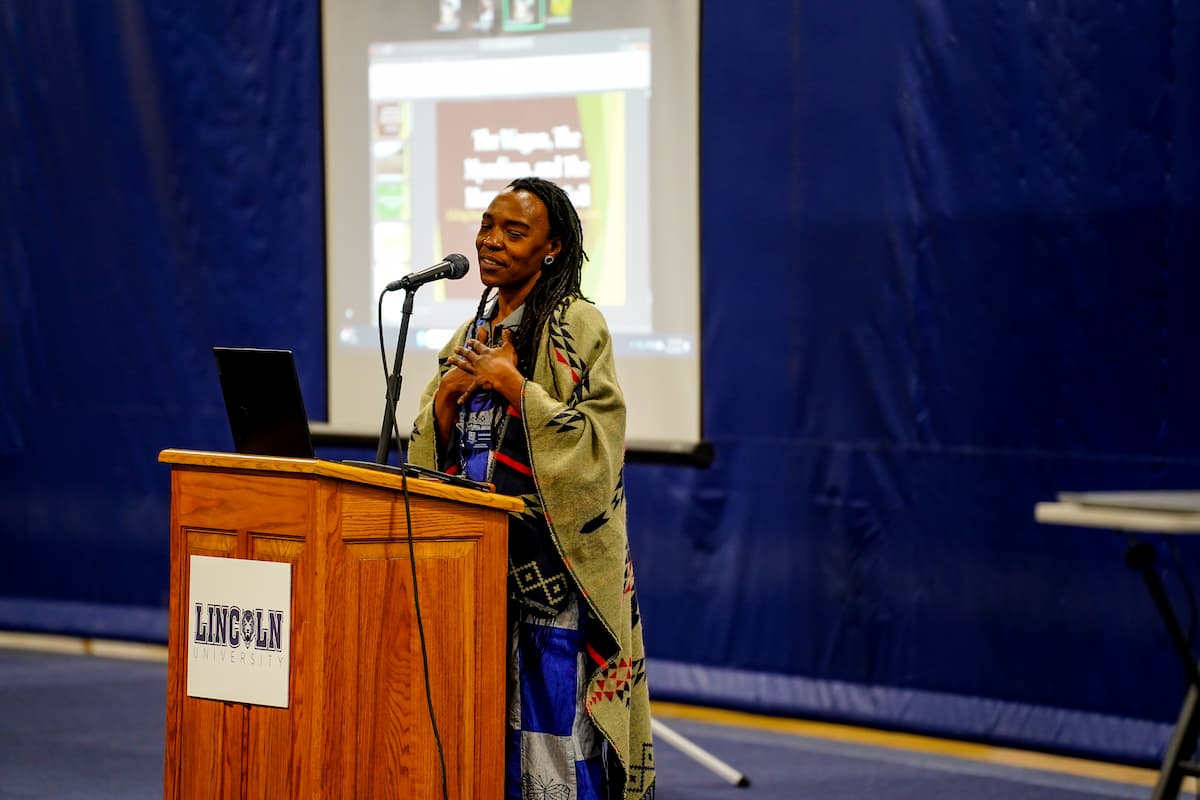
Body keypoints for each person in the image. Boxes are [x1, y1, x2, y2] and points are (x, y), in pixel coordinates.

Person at [408, 177, 655, 799]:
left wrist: (516, 387)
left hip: (554, 579)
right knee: (478, 735)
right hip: (474, 575)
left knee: (556, 743)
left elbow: (599, 447)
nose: (491, 241)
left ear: (552, 249)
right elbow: (429, 444)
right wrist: (445, 403)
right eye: (487, 225)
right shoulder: (468, 332)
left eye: (513, 232)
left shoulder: (578, 325)